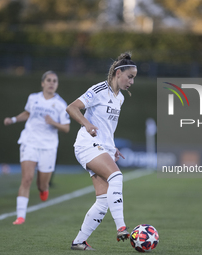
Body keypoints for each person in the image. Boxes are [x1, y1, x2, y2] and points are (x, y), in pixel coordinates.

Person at [66, 52, 137, 250]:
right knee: (116, 176)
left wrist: (111, 147)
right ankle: (121, 226)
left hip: (101, 147)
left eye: (134, 78)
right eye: (129, 77)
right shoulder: (99, 89)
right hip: (86, 144)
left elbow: (107, 127)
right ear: (118, 72)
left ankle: (79, 241)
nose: (131, 82)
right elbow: (71, 108)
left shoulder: (120, 98)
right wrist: (86, 124)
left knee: (103, 200)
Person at [4, 71, 70, 225]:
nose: (51, 83)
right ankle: (20, 216)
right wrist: (13, 119)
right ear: (43, 83)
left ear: (57, 85)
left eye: (55, 81)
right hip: (30, 141)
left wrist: (53, 122)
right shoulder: (33, 98)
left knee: (42, 184)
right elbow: (28, 113)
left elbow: (66, 128)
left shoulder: (61, 104)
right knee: (26, 179)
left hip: (48, 146)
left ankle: (43, 189)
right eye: (49, 80)